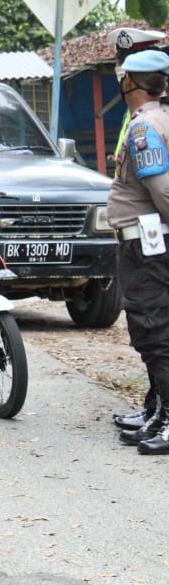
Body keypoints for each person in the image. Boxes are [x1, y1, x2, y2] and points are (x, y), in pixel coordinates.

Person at [106, 48, 169, 454]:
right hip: (149, 241)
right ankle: (158, 410)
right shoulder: (156, 119)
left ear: (132, 82)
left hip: (147, 244)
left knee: (153, 331)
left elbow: (161, 190)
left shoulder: (145, 127)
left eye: (122, 75)